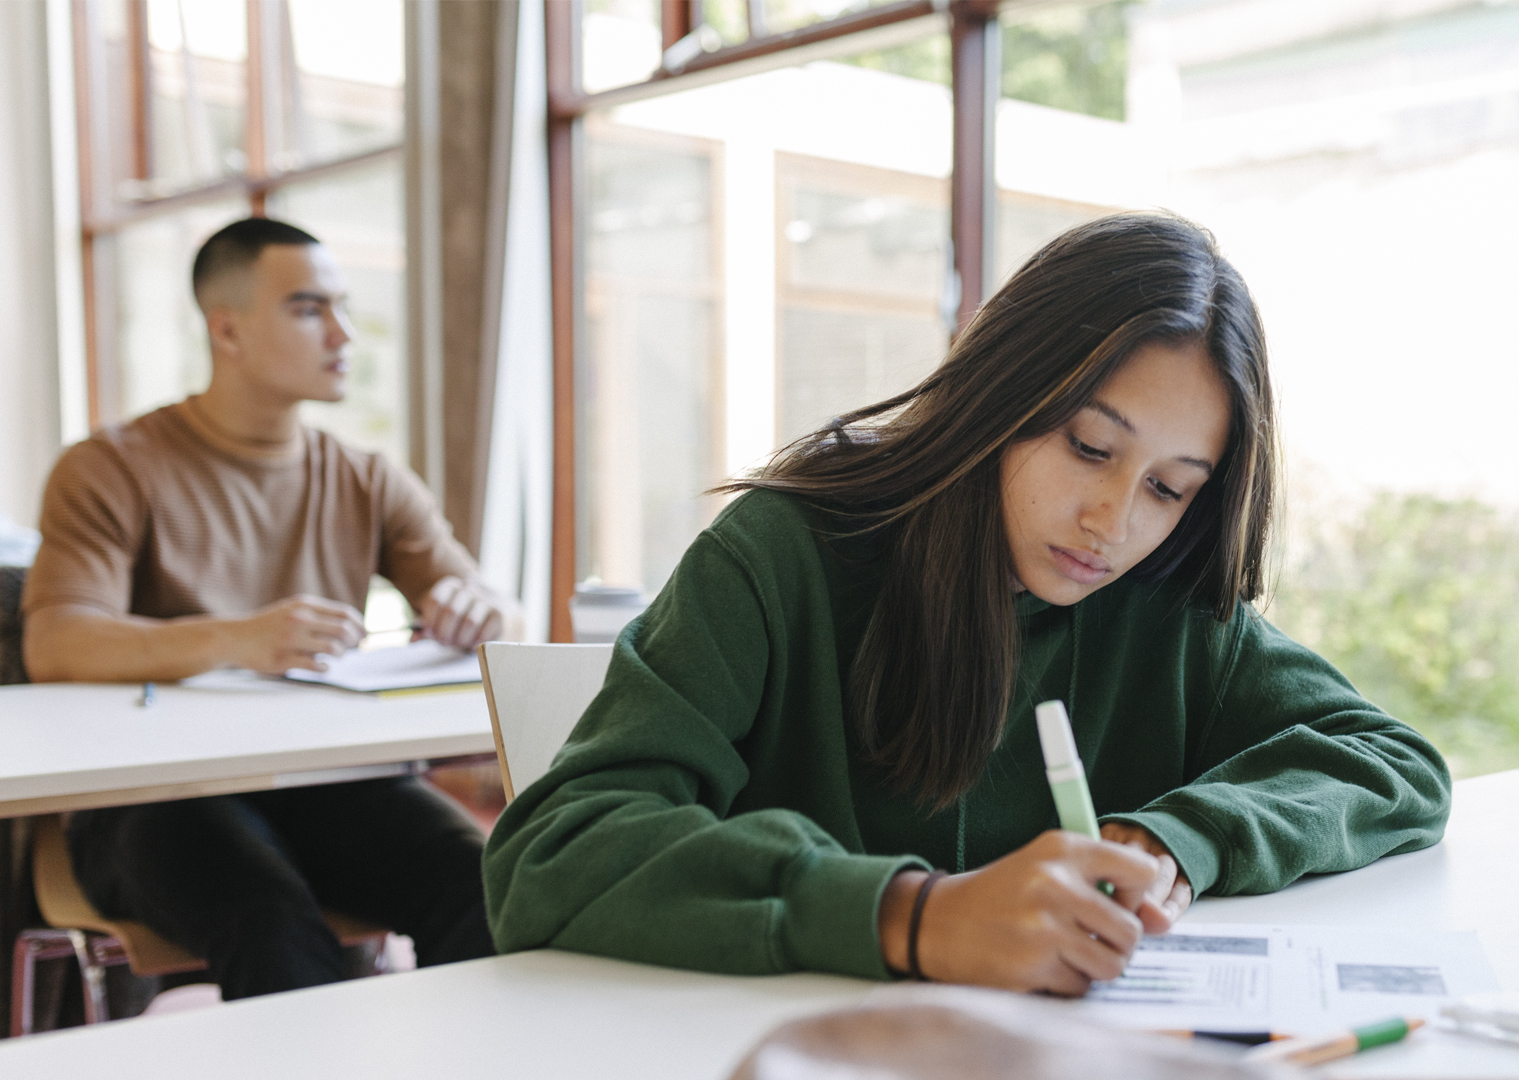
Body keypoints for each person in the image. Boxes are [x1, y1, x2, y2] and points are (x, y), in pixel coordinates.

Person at [483, 213, 1451, 994]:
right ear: (1004, 393)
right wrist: (915, 917)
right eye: (1089, 447)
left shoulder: (1169, 609)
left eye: (1169, 488)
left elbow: (1394, 762)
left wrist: (1177, 840)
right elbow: (552, 855)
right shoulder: (784, 556)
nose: (1114, 522)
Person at [23, 217, 516, 999]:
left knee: (496, 886)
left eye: (342, 307)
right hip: (150, 799)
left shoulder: (365, 478)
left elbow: (495, 610)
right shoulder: (109, 468)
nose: (343, 334)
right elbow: (57, 640)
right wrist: (238, 638)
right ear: (226, 330)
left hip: (328, 784)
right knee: (270, 920)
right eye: (309, 309)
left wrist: (479, 606)